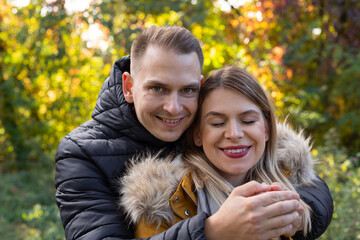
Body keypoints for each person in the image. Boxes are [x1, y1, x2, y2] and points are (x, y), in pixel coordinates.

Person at [55, 25, 333, 239]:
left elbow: (306, 180)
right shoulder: (82, 152)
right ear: (129, 87)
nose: (174, 108)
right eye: (157, 88)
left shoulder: (216, 122)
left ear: (198, 86)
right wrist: (212, 231)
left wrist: (294, 213)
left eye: (187, 90)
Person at [118, 66, 322, 239]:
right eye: (217, 123)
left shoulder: (292, 187)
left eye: (248, 120)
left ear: (267, 129)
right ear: (197, 134)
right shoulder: (162, 205)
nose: (234, 134)